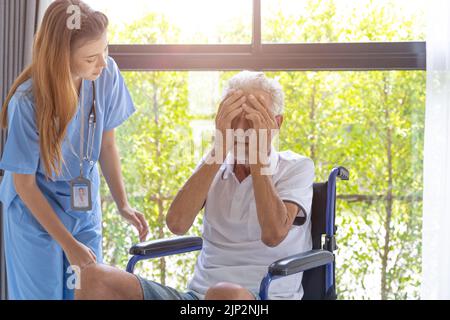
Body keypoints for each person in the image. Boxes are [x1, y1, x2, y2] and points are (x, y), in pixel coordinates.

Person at [75, 71, 315, 300]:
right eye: (234, 118)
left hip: (260, 296)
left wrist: (259, 160)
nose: (241, 129)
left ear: (276, 123)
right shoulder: (215, 162)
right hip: (197, 296)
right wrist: (219, 147)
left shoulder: (296, 167)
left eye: (253, 118)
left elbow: (273, 234)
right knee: (92, 278)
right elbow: (177, 224)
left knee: (223, 294)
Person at [0, 0, 149, 300]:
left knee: (87, 290)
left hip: (82, 207)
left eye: (106, 50)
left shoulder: (105, 75)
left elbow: (107, 144)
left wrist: (122, 203)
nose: (103, 63)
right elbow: (23, 184)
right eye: (91, 57)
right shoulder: (27, 102)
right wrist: (68, 243)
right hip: (35, 211)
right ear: (61, 57)